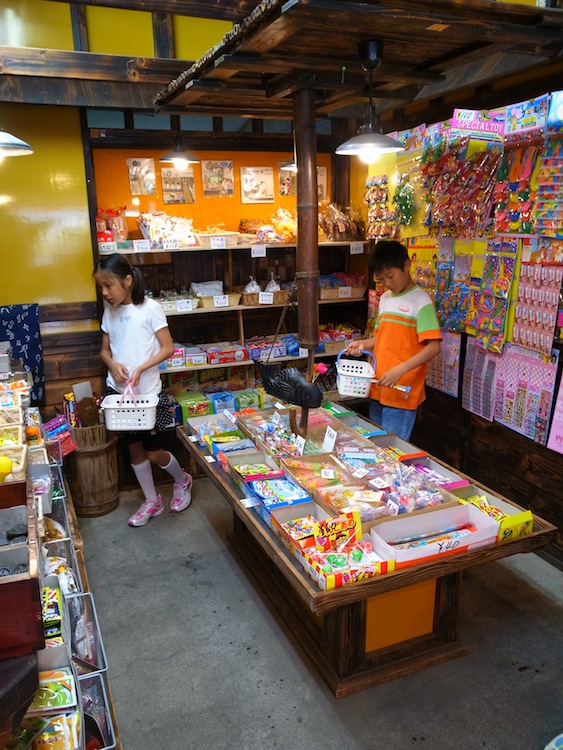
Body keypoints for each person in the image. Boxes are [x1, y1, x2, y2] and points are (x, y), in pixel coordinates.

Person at [94, 253, 193, 527]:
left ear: (127, 281)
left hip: (148, 395)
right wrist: (112, 364)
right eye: (101, 287)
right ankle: (152, 501)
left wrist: (141, 368)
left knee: (153, 452)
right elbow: (104, 352)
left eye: (108, 285)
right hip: (119, 394)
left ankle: (182, 480)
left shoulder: (150, 308)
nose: (105, 292)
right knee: (134, 451)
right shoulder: (109, 312)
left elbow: (167, 348)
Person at [345, 239, 441, 440]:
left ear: (406, 266)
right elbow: (381, 338)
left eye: (390, 276)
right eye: (381, 280)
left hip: (401, 391)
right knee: (376, 446)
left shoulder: (421, 302)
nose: (387, 284)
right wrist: (363, 344)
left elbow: (434, 347)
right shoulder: (386, 299)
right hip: (378, 387)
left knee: (390, 449)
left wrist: (401, 370)